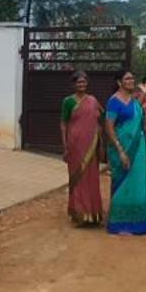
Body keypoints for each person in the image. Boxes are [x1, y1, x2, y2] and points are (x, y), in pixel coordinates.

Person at [103, 71, 146, 236]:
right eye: (127, 78)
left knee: (138, 182)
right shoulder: (114, 101)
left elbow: (137, 116)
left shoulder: (134, 100)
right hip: (121, 148)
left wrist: (143, 96)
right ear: (119, 82)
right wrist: (120, 150)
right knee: (121, 183)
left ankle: (139, 222)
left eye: (133, 78)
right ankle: (119, 223)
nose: (131, 81)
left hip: (138, 148)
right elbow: (109, 127)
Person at [60, 71, 105, 227]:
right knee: (76, 177)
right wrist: (65, 145)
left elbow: (101, 119)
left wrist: (100, 142)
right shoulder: (68, 102)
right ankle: (79, 213)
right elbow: (63, 123)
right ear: (74, 85)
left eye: (84, 82)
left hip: (91, 144)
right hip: (74, 144)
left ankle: (92, 213)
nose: (81, 85)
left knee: (91, 177)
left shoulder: (92, 101)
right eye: (79, 82)